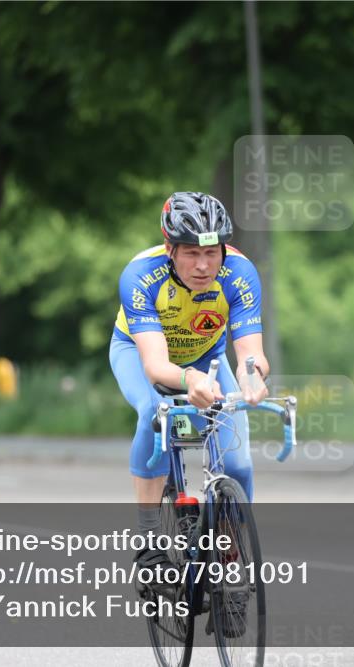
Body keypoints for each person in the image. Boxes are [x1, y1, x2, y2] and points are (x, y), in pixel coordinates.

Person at [109, 192, 270, 579]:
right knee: (155, 412)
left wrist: (252, 381)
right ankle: (149, 544)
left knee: (238, 462)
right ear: (169, 248)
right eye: (190, 253)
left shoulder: (240, 273)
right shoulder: (140, 276)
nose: (203, 266)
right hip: (140, 352)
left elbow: (251, 355)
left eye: (211, 253)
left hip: (206, 357)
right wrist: (189, 380)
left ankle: (229, 559)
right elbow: (157, 367)